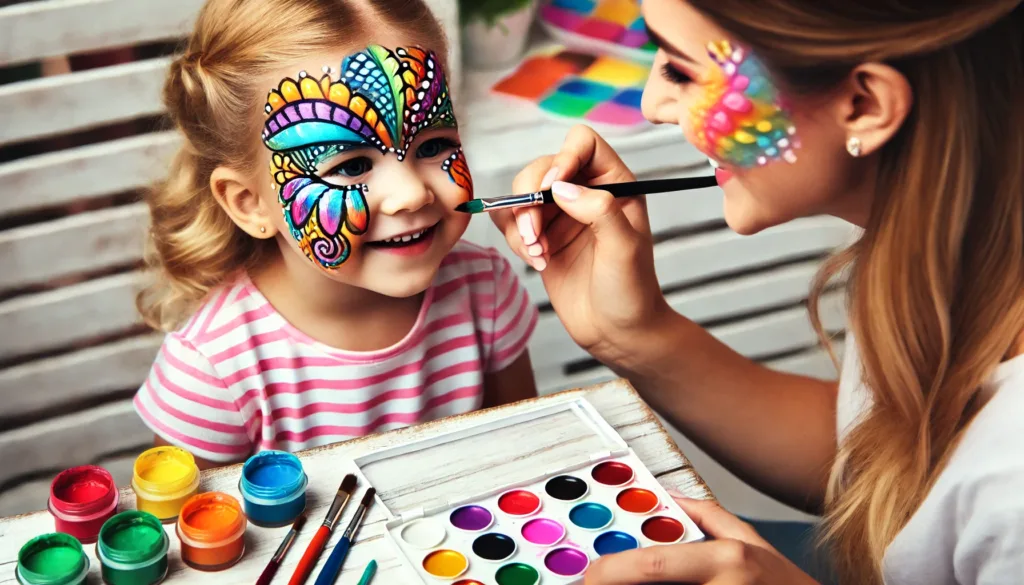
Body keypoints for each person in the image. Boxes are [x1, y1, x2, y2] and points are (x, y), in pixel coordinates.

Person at [493, 0, 1023, 583]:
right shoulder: (944, 247)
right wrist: (632, 333)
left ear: (865, 105)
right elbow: (893, 463)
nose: (653, 105)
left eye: (681, 69)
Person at [133, 0, 538, 470]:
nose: (409, 194)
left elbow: (524, 461)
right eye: (351, 166)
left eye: (433, 145)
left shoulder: (484, 290)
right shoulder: (211, 372)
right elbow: (189, 535)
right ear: (250, 203)